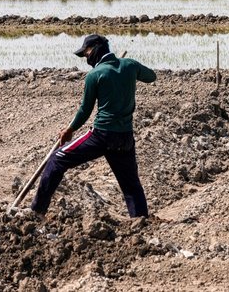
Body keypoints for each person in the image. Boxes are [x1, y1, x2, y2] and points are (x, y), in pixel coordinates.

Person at [31, 34, 156, 218]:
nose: (86, 58)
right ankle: (141, 220)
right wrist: (128, 70)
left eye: (86, 53)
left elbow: (85, 110)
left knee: (57, 159)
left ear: (96, 49)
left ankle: (36, 211)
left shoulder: (95, 75)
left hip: (102, 135)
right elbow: (151, 77)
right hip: (125, 137)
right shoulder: (130, 65)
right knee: (130, 185)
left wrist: (69, 130)